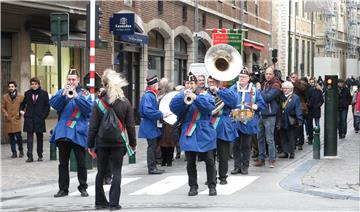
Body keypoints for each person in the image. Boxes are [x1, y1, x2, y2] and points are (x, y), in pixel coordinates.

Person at [88, 69, 136, 210]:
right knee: (117, 171)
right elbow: (130, 126)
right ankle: (114, 204)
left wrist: (90, 145)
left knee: (100, 171)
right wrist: (132, 143)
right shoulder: (125, 102)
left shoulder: (98, 103)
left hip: (102, 142)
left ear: (104, 84)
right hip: (118, 142)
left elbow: (93, 126)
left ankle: (100, 202)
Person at [170, 73, 217, 196]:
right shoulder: (180, 95)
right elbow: (173, 108)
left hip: (204, 129)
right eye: (187, 83)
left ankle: (212, 185)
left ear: (196, 84)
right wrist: (183, 98)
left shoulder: (204, 95)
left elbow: (209, 108)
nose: (189, 86)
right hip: (189, 129)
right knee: (190, 161)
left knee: (209, 160)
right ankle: (193, 186)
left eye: (192, 83)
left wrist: (195, 98)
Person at [50, 69, 92, 198]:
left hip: (78, 131)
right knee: (63, 163)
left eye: (73, 79)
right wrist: (63, 94)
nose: (71, 82)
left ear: (78, 80)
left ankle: (83, 187)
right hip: (64, 132)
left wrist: (76, 97)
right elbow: (54, 105)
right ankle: (63, 189)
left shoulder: (84, 94)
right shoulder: (61, 92)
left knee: (81, 162)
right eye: (69, 79)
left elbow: (88, 109)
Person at [230, 67, 266, 175]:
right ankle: (237, 166)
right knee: (235, 145)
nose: (242, 79)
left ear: (248, 78)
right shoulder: (233, 88)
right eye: (240, 76)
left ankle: (245, 166)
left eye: (244, 77)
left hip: (248, 121)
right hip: (235, 121)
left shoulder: (254, 90)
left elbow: (262, 104)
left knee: (246, 145)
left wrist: (255, 106)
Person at [208, 77, 238, 185]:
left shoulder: (226, 91)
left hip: (223, 125)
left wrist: (218, 91)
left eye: (213, 82)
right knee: (209, 155)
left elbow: (234, 103)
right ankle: (211, 176)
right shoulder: (206, 93)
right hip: (210, 125)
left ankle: (223, 176)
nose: (210, 84)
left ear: (218, 82)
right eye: (209, 82)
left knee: (223, 154)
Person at [254, 67, 282, 168]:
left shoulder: (276, 85)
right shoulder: (265, 84)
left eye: (270, 74)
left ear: (273, 75)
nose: (268, 76)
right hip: (261, 113)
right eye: (266, 74)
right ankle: (261, 159)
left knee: (269, 138)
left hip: (270, 115)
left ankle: (272, 159)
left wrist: (258, 90)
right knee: (259, 138)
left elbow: (267, 97)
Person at [138, 75, 166, 175]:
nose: (158, 86)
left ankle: (153, 166)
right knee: (152, 146)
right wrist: (161, 114)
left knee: (153, 146)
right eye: (157, 84)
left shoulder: (150, 95)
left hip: (151, 124)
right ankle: (152, 168)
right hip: (149, 124)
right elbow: (148, 111)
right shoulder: (149, 96)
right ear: (154, 85)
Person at [20, 77, 50, 162]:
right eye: (32, 84)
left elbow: (47, 106)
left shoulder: (44, 94)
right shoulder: (27, 93)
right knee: (29, 139)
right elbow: (23, 104)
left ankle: (40, 155)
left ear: (38, 84)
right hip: (29, 119)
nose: (34, 86)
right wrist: (22, 112)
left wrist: (43, 116)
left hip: (39, 119)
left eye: (35, 84)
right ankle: (30, 156)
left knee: (39, 138)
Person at [278, 81, 303, 159]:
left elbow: (298, 109)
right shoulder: (281, 97)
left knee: (291, 136)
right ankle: (285, 152)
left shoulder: (295, 97)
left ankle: (291, 152)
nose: (284, 90)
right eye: (283, 88)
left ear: (291, 89)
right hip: (282, 119)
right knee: (283, 136)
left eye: (286, 88)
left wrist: (300, 119)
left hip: (290, 120)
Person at [2, 81, 25, 158]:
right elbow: (2, 107)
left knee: (18, 137)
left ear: (15, 87)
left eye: (12, 86)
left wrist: (21, 113)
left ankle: (21, 150)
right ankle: (14, 152)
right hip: (9, 119)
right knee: (11, 137)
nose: (11, 88)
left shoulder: (21, 96)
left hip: (17, 119)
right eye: (9, 87)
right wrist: (6, 114)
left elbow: (24, 106)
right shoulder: (5, 97)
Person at [158, 77, 176, 166]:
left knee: (170, 141)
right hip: (162, 120)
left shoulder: (171, 94)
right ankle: (164, 159)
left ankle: (169, 159)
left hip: (171, 120)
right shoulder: (159, 94)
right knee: (163, 141)